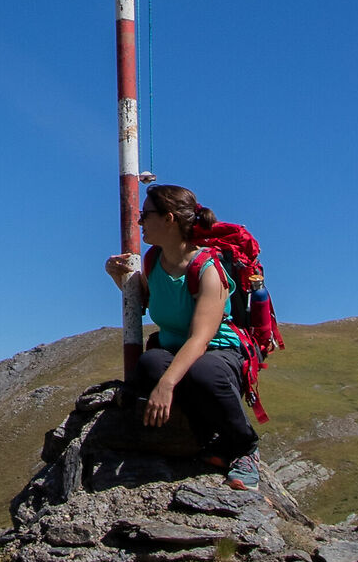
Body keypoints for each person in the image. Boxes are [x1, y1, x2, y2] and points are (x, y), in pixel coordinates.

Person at [105, 184, 262, 492]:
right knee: (150, 364)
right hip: (177, 350)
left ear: (169, 219)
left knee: (204, 372)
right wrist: (116, 275)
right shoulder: (154, 261)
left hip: (218, 352)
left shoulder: (208, 269)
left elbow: (200, 339)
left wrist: (166, 385)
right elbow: (147, 301)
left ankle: (245, 448)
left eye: (146, 215)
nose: (140, 222)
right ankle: (202, 436)